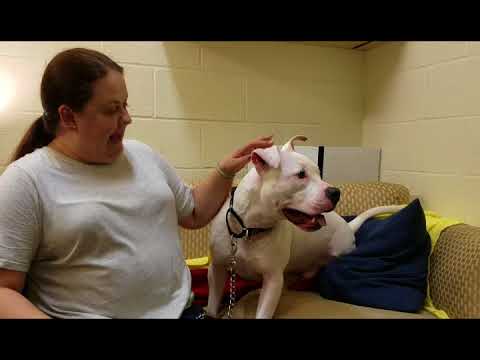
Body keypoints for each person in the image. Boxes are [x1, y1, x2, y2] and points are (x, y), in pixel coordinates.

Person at [0, 48, 273, 319]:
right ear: (69, 117)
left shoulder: (142, 154)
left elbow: (193, 211)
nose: (127, 118)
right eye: (112, 109)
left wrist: (224, 172)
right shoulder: (25, 181)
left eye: (125, 105)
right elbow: (4, 290)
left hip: (183, 312)